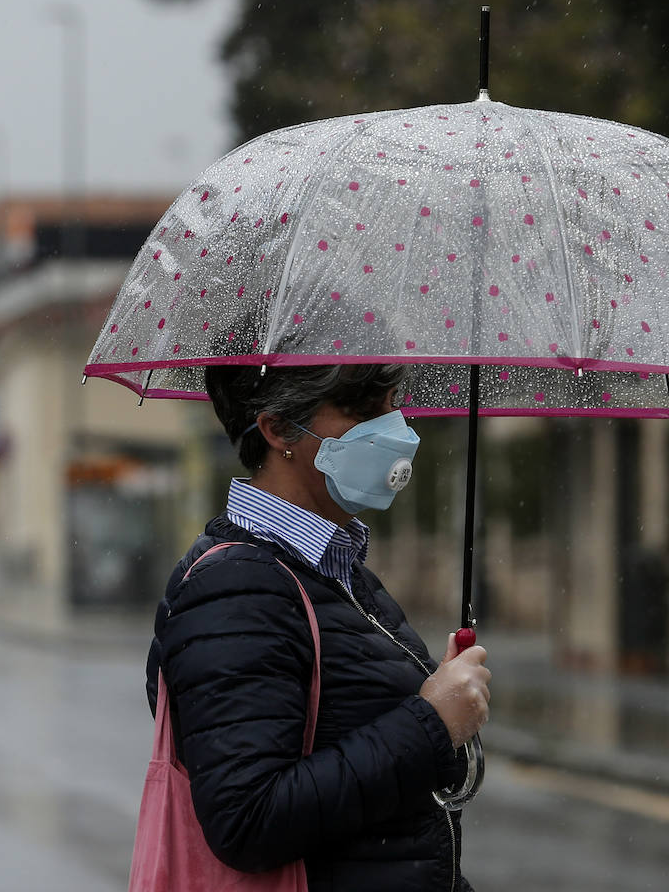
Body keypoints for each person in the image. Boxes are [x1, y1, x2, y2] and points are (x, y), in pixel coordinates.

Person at [145, 363, 491, 892]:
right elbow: (248, 819)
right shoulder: (237, 586)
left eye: (393, 404)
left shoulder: (335, 568)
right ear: (278, 428)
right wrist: (430, 724)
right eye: (364, 410)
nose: (394, 428)